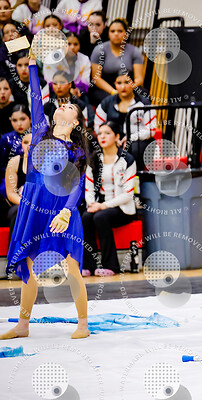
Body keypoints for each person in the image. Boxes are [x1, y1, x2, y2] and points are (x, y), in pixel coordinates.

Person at [0, 49, 89, 340]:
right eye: (63, 104)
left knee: (72, 266)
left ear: (75, 122)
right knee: (29, 265)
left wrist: (66, 212)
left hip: (61, 209)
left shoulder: (76, 150)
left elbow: (76, 186)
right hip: (34, 205)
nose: (64, 106)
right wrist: (33, 63)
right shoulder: (40, 131)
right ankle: (23, 325)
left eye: (70, 107)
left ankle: (83, 324)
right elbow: (36, 96)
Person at [83, 121, 136, 277]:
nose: (102, 137)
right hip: (99, 205)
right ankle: (89, 265)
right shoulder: (94, 159)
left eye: (107, 133)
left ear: (117, 137)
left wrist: (103, 206)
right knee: (86, 217)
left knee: (100, 217)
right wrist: (92, 204)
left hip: (122, 209)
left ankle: (111, 265)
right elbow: (89, 188)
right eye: (100, 134)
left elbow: (128, 194)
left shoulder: (127, 159)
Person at [94, 71, 156, 169]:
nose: (123, 87)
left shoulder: (144, 103)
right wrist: (113, 139)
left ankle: (136, 175)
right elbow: (98, 127)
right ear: (115, 84)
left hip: (138, 140)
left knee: (135, 148)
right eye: (119, 83)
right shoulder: (105, 103)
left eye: (127, 82)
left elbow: (151, 130)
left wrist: (131, 138)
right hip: (112, 139)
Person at [89, 18, 143, 106]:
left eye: (120, 31)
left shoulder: (134, 51)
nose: (116, 34)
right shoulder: (99, 50)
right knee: (110, 101)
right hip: (105, 88)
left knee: (144, 96)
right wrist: (114, 92)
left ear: (126, 34)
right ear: (108, 34)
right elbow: (96, 78)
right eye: (112, 31)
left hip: (128, 87)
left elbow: (139, 79)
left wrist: (127, 89)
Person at [43, 32, 91, 99]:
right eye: (68, 44)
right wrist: (67, 91)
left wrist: (78, 90)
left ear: (80, 46)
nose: (72, 47)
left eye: (75, 44)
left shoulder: (84, 59)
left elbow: (85, 82)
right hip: (55, 91)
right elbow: (49, 81)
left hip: (77, 93)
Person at [0, 104, 30, 199]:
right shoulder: (6, 139)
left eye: (22, 119)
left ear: (30, 119)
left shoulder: (39, 135)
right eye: (14, 120)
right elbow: (1, 165)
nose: (19, 124)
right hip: (13, 175)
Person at [5, 132, 31, 240]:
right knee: (19, 211)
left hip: (41, 204)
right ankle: (15, 250)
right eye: (26, 142)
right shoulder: (15, 162)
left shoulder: (47, 163)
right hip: (18, 204)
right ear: (21, 144)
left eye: (33, 142)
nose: (29, 146)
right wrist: (26, 204)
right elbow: (11, 193)